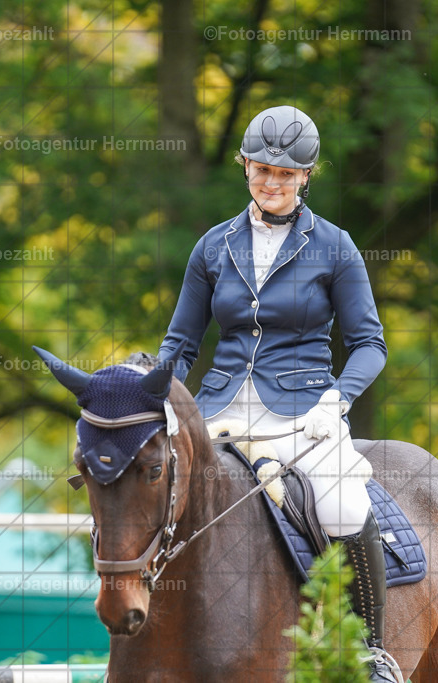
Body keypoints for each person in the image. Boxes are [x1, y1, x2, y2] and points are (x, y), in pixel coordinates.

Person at [158, 105, 402, 682]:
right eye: (262, 169)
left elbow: (370, 344)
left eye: (286, 174)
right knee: (152, 491)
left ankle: (372, 652)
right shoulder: (213, 246)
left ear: (306, 176)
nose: (272, 182)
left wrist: (337, 400)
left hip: (304, 414)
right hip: (218, 411)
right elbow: (181, 343)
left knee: (344, 504)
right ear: (244, 166)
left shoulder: (335, 247)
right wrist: (156, 394)